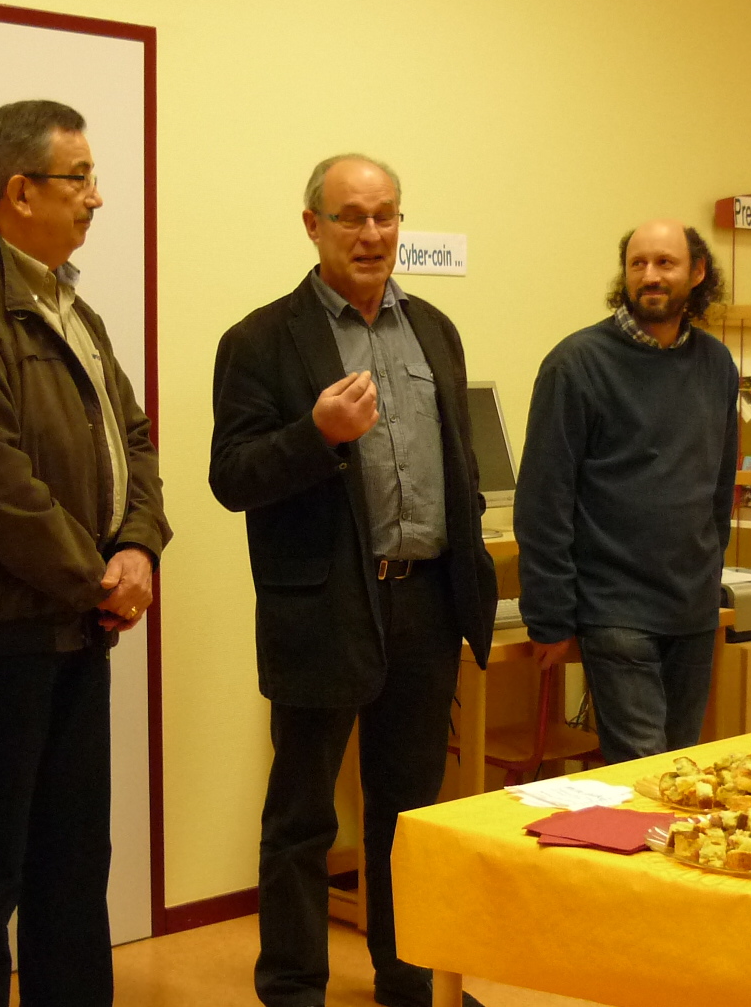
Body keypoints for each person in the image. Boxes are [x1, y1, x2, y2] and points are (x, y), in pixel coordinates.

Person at [0, 100, 169, 1007]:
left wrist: (138, 547)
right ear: (19, 192)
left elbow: (133, 438)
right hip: (1, 633)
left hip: (79, 623)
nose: (97, 196)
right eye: (78, 177)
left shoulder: (70, 305)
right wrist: (99, 580)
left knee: (75, 861)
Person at [209, 154, 497, 1007]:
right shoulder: (260, 340)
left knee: (407, 813)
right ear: (313, 226)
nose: (371, 234)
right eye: (351, 217)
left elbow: (457, 464)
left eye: (385, 216)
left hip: (425, 601)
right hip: (324, 607)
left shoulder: (435, 329)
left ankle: (406, 980)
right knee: (302, 817)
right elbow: (232, 477)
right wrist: (317, 433)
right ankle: (292, 986)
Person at [515, 220, 738, 764]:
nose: (650, 276)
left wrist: (707, 575)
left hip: (692, 610)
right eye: (638, 264)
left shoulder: (716, 364)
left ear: (697, 272)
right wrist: (548, 616)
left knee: (683, 772)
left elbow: (719, 487)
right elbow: (544, 499)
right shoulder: (577, 364)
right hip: (616, 610)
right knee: (644, 774)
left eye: (665, 263)